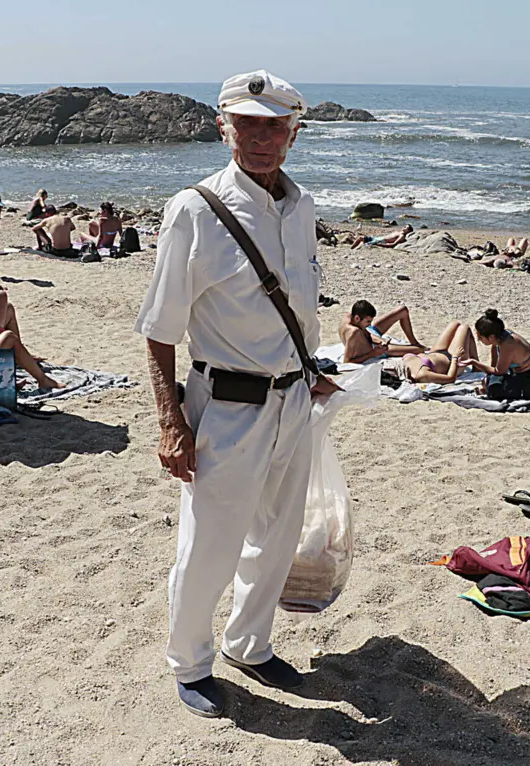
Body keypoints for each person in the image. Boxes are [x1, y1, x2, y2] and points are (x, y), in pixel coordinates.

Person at [135, 69, 340, 719]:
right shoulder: (194, 210)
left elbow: (297, 308)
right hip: (226, 407)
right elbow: (160, 328)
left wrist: (310, 368)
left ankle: (249, 644)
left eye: (274, 126)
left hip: (293, 401)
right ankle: (190, 663)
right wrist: (171, 423)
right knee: (209, 547)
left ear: (294, 134)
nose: (260, 137)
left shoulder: (302, 208)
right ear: (223, 128)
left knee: (277, 538)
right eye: (247, 124)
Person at [464, 308, 530, 400]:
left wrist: (474, 362)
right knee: (491, 381)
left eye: (480, 337)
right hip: (520, 375)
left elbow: (499, 371)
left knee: (495, 390)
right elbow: (494, 367)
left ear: (491, 337)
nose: (478, 340)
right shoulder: (499, 339)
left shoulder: (508, 344)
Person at [382, 322, 477, 385]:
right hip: (452, 361)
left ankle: (476, 364)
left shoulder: (401, 365)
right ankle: (476, 365)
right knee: (464, 328)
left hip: (435, 352)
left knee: (455, 324)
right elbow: (450, 378)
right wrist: (455, 357)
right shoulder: (420, 374)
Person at [339, 300, 425, 363]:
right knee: (419, 350)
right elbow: (347, 361)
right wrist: (372, 354)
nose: (370, 324)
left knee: (403, 310)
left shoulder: (349, 316)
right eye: (368, 321)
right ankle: (416, 346)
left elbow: (366, 331)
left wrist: (376, 338)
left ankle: (414, 342)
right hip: (375, 348)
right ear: (357, 318)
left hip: (371, 335)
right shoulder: (353, 332)